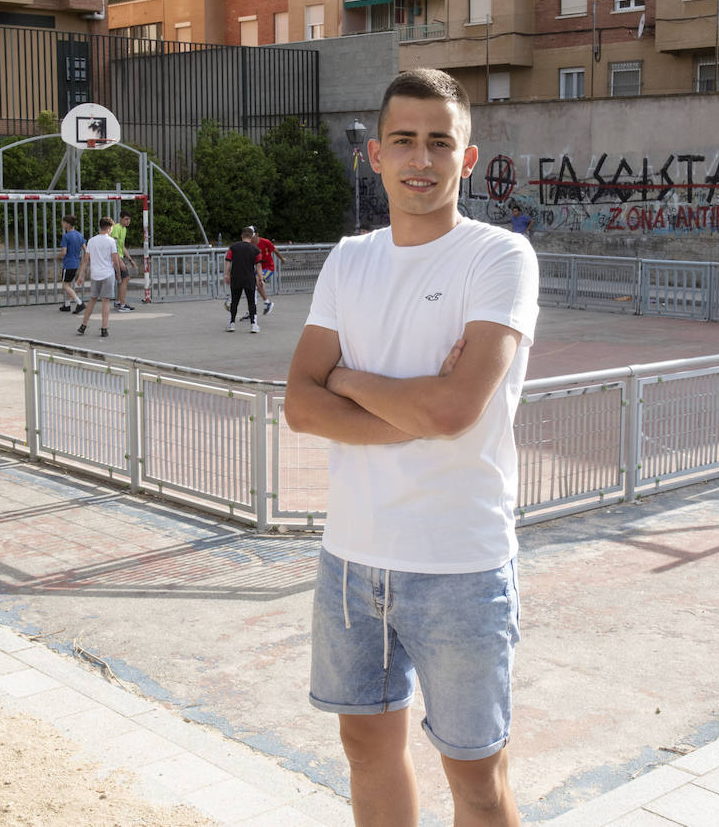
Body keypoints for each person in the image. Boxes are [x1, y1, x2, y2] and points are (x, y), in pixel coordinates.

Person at [284, 68, 538, 824]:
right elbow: (300, 403)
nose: (420, 159)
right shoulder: (349, 259)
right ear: (374, 154)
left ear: (468, 157)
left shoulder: (498, 258)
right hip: (350, 560)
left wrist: (350, 378)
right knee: (365, 747)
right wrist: (412, 404)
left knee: (477, 782)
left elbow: (457, 408)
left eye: (439, 142)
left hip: (459, 565)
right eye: (404, 141)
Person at [75, 216, 122, 338]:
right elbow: (115, 260)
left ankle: (83, 325)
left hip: (95, 274)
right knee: (105, 301)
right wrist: (118, 273)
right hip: (107, 273)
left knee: (93, 299)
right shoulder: (111, 241)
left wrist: (81, 275)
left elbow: (85, 260)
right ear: (109, 228)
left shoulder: (91, 240)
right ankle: (104, 328)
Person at [222, 227, 263, 333]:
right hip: (249, 278)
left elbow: (228, 261)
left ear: (241, 236)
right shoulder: (255, 250)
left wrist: (226, 274)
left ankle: (232, 323)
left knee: (234, 301)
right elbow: (258, 265)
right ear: (251, 237)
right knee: (251, 302)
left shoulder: (233, 247)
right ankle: (254, 324)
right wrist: (261, 278)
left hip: (236, 277)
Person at [55, 216, 86, 314]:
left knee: (65, 285)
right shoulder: (79, 235)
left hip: (68, 264)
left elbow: (64, 252)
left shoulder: (66, 236)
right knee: (68, 283)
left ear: (68, 224)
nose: (62, 224)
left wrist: (57, 257)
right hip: (76, 263)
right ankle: (67, 305)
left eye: (63, 222)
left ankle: (79, 303)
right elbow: (86, 249)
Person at [251, 227, 284, 315]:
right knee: (250, 287)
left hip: (268, 268)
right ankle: (250, 311)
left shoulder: (265, 242)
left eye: (252, 236)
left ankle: (267, 302)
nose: (251, 238)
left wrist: (282, 259)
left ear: (257, 235)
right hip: (258, 268)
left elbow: (275, 251)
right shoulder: (249, 244)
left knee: (256, 281)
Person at [110, 211, 136, 313]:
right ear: (120, 219)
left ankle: (118, 302)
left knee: (124, 279)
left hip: (119, 257)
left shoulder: (124, 229)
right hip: (116, 258)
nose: (128, 221)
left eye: (129, 219)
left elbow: (122, 246)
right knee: (125, 278)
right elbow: (114, 245)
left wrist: (130, 259)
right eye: (126, 219)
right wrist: (119, 261)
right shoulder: (116, 228)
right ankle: (122, 305)